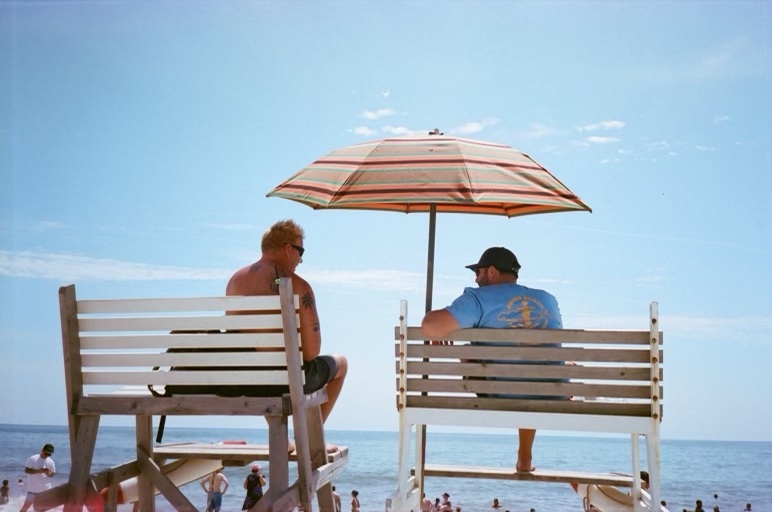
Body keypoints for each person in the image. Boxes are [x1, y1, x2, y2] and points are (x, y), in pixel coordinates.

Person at [422, 247, 563, 472]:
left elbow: (430, 326)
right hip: (552, 393)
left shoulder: (478, 298)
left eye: (478, 273)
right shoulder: (548, 299)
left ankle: (524, 456)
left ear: (492, 271)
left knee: (469, 352)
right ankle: (524, 457)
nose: (476, 279)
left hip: (500, 392)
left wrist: (448, 333)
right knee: (537, 370)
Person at [226, 219, 348, 452]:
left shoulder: (235, 281)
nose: (301, 259)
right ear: (287, 248)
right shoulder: (299, 286)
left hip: (249, 380)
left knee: (263, 366)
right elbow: (312, 353)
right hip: (290, 382)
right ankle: (310, 437)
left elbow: (235, 339)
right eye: (300, 251)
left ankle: (282, 439)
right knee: (341, 364)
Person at [20, 443, 56, 512]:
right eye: (46, 454)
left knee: (41, 510)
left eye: (49, 454)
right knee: (25, 508)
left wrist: (48, 473)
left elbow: (52, 474)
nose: (47, 456)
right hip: (32, 490)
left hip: (45, 491)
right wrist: (39, 471)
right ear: (42, 450)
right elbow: (27, 470)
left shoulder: (51, 462)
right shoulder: (33, 459)